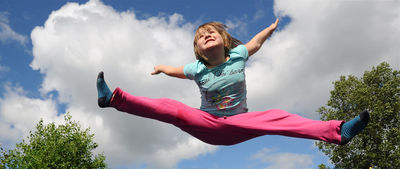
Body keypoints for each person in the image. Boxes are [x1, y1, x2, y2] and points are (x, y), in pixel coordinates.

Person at [96, 18, 369, 146]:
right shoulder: (196, 68)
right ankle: (113, 100)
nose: (207, 35)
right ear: (199, 50)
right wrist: (162, 68)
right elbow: (176, 70)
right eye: (201, 36)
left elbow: (255, 43)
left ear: (223, 40)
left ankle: (337, 132)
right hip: (208, 124)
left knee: (277, 116)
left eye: (211, 32)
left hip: (239, 124)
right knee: (173, 108)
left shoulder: (237, 55)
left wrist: (270, 30)